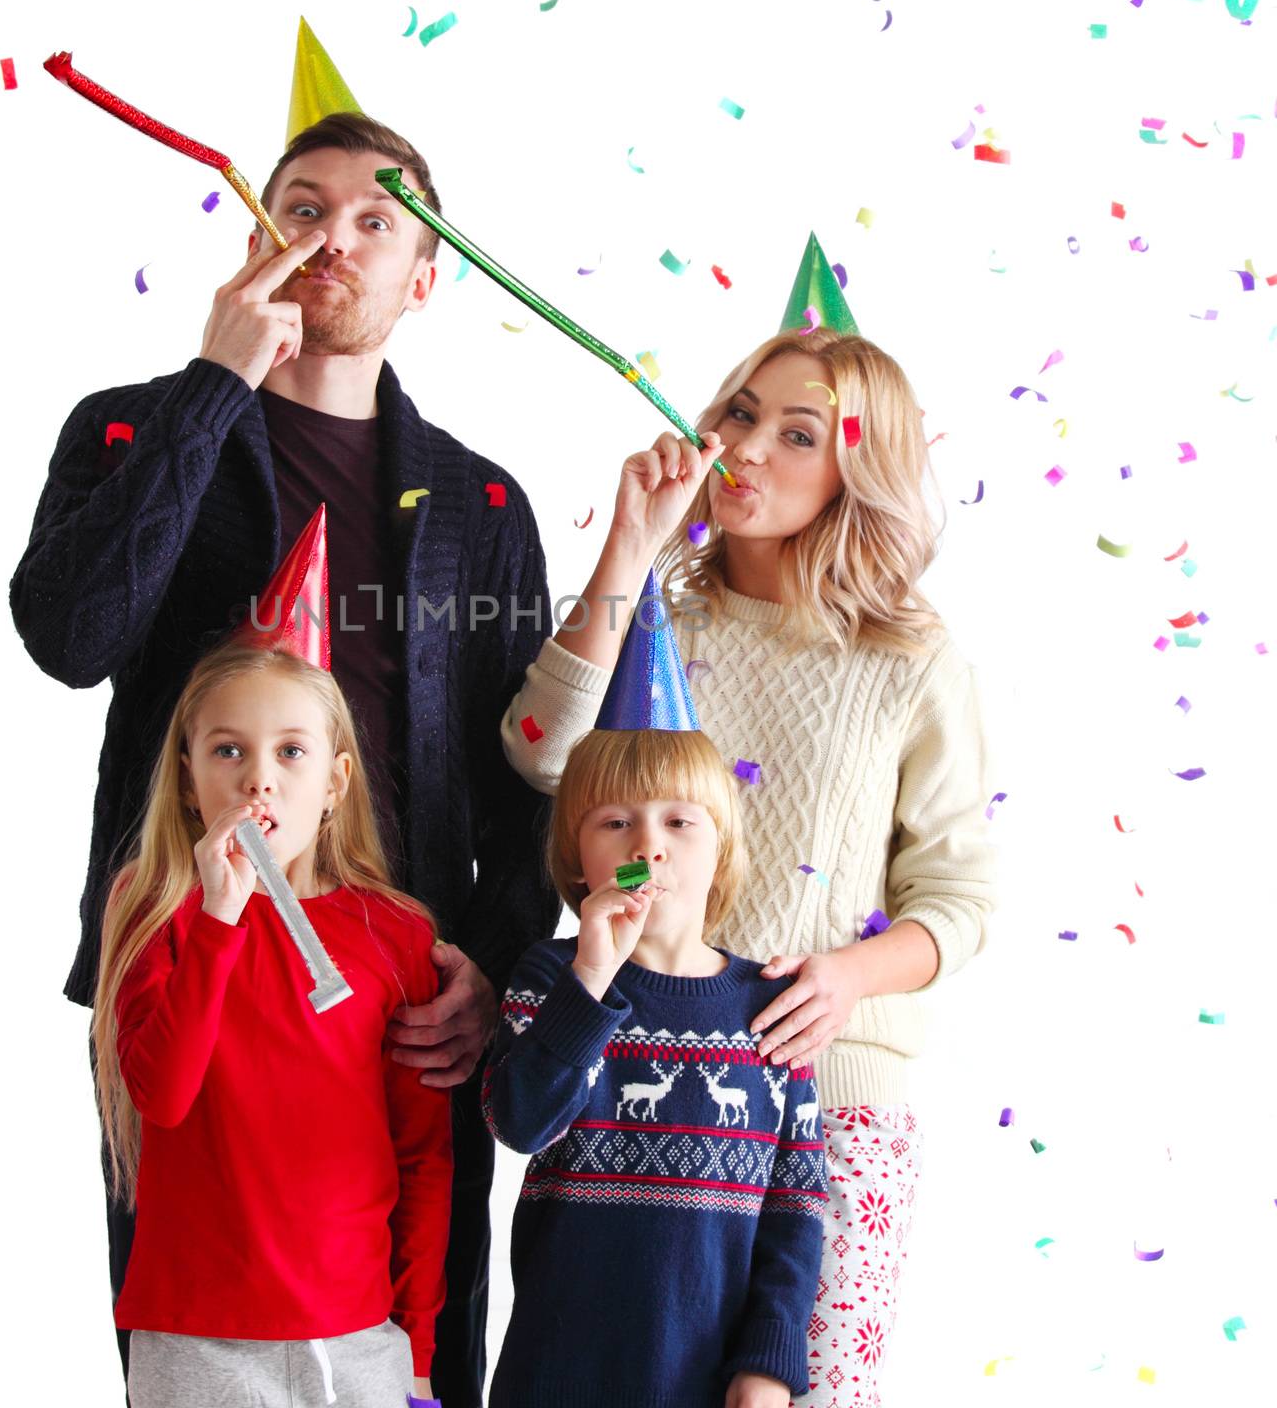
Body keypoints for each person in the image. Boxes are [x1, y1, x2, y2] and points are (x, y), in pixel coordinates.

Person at [10, 24, 557, 1407]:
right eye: (303, 207)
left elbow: (526, 785)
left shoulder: (483, 507)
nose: (337, 237)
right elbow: (69, 638)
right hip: (182, 984)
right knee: (192, 1348)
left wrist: (487, 968)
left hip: (399, 995)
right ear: (255, 236)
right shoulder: (133, 428)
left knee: (418, 1345)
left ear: (425, 278)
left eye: (381, 221)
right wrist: (214, 385)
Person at [500, 276, 997, 1405]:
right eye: (737, 413)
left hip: (838, 1093)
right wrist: (628, 549)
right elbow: (539, 752)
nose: (746, 447)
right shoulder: (660, 622)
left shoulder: (910, 662)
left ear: (854, 472)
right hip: (634, 1079)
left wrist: (846, 974)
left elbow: (961, 896)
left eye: (796, 433)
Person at [484, 595, 826, 1407]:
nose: (649, 845)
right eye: (615, 823)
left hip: (709, 1382)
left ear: (722, 848)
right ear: (576, 855)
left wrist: (769, 1364)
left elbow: (796, 1206)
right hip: (556, 1372)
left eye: (680, 820)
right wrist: (591, 981)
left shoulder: (768, 1006)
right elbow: (518, 1122)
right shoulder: (551, 979)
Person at [94, 634, 452, 1406]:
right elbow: (163, 1093)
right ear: (188, 780)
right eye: (228, 751)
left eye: (292, 752)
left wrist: (418, 1349)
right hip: (197, 1338)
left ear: (335, 781)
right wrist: (221, 916)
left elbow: (423, 1155)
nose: (259, 780)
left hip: (357, 1336)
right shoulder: (153, 907)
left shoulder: (395, 933)